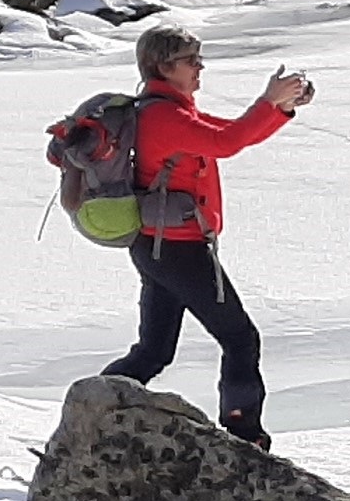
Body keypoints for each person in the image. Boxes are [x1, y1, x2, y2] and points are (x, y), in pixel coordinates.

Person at [100, 25, 308, 449]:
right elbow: (228, 141)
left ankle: (96, 412)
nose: (200, 68)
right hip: (177, 249)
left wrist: (279, 109)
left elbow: (231, 133)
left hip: (158, 246)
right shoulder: (164, 116)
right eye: (191, 60)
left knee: (154, 352)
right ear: (164, 67)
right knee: (240, 338)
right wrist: (268, 102)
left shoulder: (169, 111)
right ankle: (244, 434)